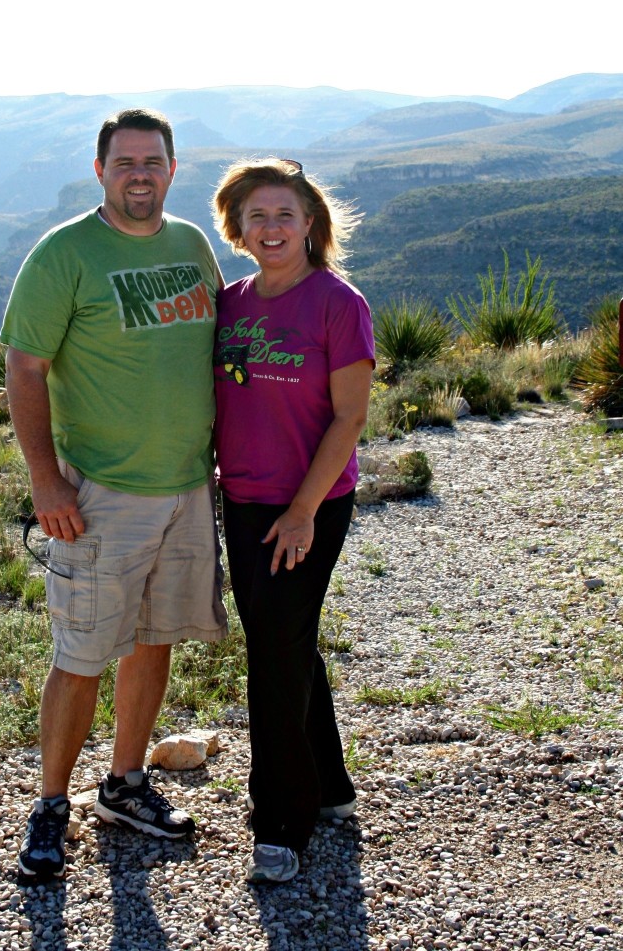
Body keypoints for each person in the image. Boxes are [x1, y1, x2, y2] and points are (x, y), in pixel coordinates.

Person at [0, 108, 228, 883]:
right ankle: (50, 806)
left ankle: (127, 782)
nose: (140, 174)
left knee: (156, 634)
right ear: (100, 170)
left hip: (189, 487)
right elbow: (25, 368)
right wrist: (44, 477)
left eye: (153, 161)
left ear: (173, 168)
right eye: (125, 162)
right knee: (83, 653)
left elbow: (216, 346)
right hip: (102, 492)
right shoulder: (64, 253)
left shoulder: (191, 243)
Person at [211, 158, 374, 883]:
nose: (271, 227)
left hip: (308, 505)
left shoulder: (339, 304)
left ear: (310, 223)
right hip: (242, 500)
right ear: (238, 229)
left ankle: (283, 821)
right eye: (257, 216)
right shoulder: (233, 302)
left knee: (273, 653)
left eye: (285, 214)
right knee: (285, 641)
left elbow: (350, 416)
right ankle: (330, 786)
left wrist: (305, 510)